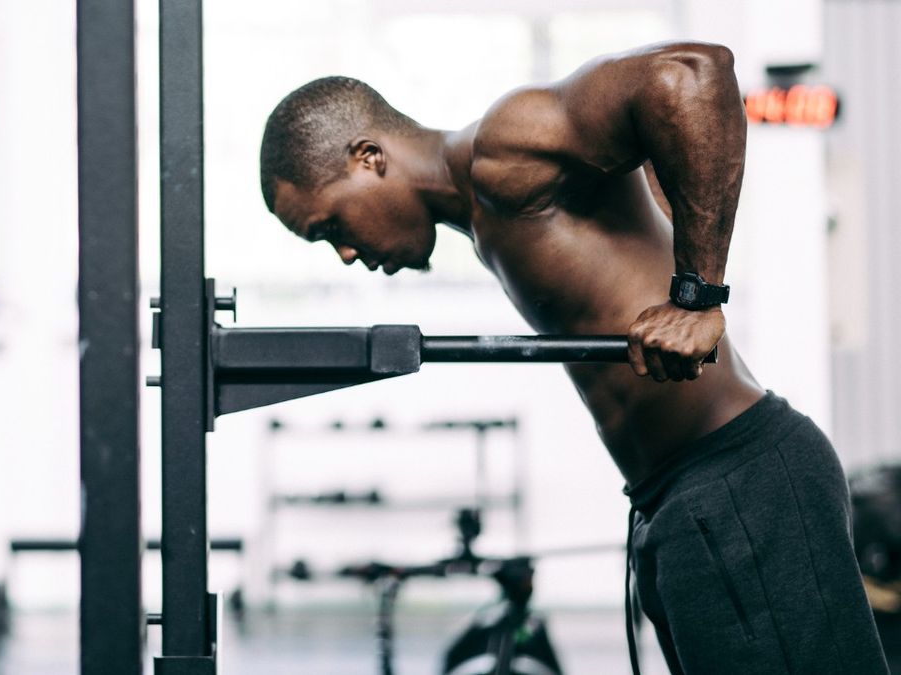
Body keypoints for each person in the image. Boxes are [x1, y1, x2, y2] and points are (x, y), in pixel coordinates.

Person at [258, 42, 888, 674]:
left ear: (369, 159)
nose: (344, 253)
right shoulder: (490, 217)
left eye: (331, 227)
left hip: (739, 483)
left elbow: (693, 74)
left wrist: (697, 296)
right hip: (678, 496)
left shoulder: (503, 152)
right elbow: (649, 148)